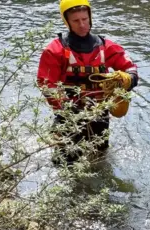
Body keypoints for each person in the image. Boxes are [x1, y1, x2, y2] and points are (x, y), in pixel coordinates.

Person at [37, 0, 138, 165]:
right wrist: (69, 109)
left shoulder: (105, 47)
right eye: (76, 21)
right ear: (67, 21)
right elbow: (46, 84)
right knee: (65, 164)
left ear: (90, 17)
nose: (82, 24)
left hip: (100, 115)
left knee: (100, 161)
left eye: (85, 19)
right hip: (68, 117)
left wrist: (129, 79)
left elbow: (131, 68)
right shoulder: (55, 50)